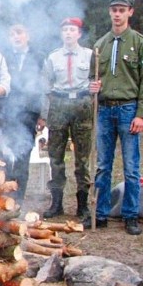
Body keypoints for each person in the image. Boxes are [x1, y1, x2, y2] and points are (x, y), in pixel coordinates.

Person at [84, 0, 143, 235]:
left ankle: (130, 215)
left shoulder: (140, 42)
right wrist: (92, 86)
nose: (117, 14)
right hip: (104, 110)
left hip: (128, 110)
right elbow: (92, 79)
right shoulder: (100, 45)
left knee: (131, 167)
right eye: (114, 9)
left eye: (122, 10)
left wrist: (141, 113)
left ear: (130, 12)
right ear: (109, 12)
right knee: (103, 165)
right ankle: (100, 214)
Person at [39, 18, 93, 219]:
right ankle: (57, 203)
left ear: (79, 33)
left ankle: (82, 204)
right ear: (61, 34)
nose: (69, 33)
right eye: (65, 30)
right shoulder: (53, 57)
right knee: (56, 156)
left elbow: (97, 80)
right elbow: (45, 86)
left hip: (81, 104)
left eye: (73, 30)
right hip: (59, 104)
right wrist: (44, 114)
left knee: (82, 157)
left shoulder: (89, 55)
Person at [0, 24, 45, 202]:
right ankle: (3, 196)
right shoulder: (3, 57)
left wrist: (43, 114)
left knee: (23, 156)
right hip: (7, 113)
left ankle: (17, 200)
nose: (16, 37)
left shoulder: (39, 57)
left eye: (20, 33)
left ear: (28, 36)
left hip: (29, 113)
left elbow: (44, 87)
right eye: (12, 34)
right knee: (4, 155)